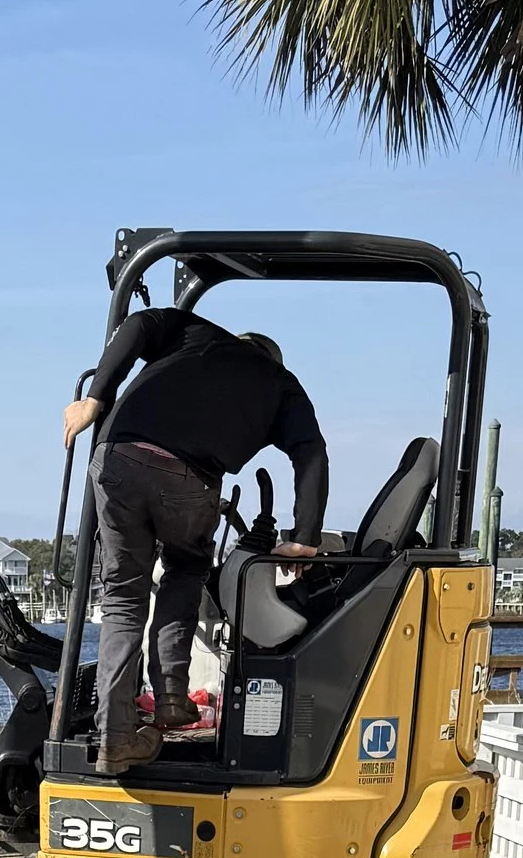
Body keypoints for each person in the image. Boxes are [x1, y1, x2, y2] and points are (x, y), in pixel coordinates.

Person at [64, 306, 329, 775]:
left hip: (117, 459)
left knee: (123, 599)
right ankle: (171, 695)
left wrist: (95, 398)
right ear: (273, 359)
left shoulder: (194, 332)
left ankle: (114, 738)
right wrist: (305, 536)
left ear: (239, 342)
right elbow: (310, 452)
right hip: (188, 480)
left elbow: (137, 324)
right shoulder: (281, 384)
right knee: (185, 571)